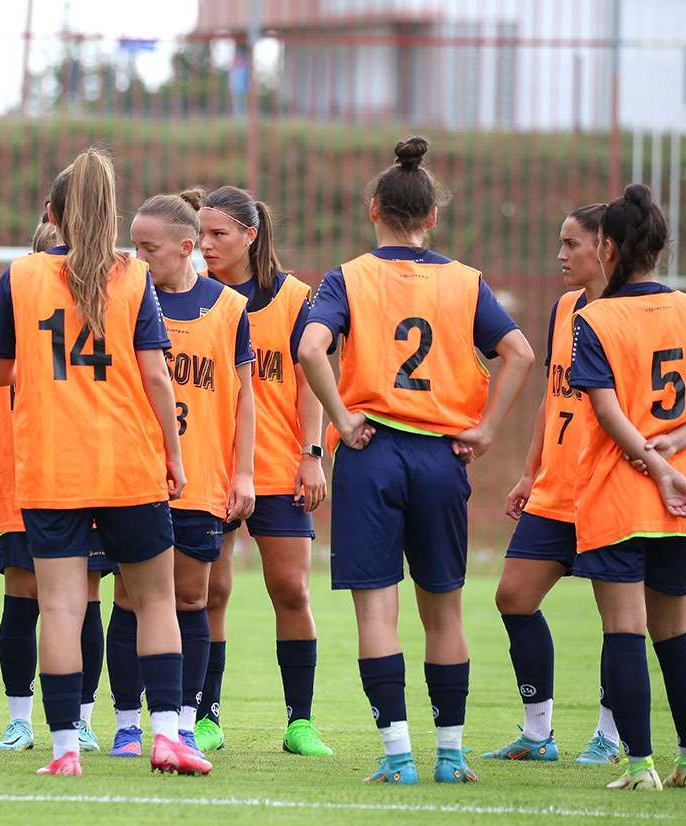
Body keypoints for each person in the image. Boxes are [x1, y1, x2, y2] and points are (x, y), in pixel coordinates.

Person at [300, 136, 534, 785]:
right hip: (440, 456)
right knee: (444, 610)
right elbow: (520, 353)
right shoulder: (466, 281)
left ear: (373, 208)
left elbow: (312, 348)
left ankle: (398, 755)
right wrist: (486, 430)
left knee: (378, 612)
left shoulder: (348, 276)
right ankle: (451, 754)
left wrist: (341, 417)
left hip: (371, 452)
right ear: (433, 215)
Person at [0, 148, 211, 777]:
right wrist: (173, 454)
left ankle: (64, 750)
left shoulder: (20, 275)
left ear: (53, 216)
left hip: (52, 465)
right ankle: (167, 737)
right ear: (112, 213)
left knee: (60, 608)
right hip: (128, 462)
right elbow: (157, 376)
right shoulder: (133, 276)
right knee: (156, 601)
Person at [568, 184, 686, 792]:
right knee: (675, 631)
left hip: (620, 496)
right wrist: (675, 446)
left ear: (608, 249)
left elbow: (608, 410)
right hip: (684, 500)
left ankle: (640, 767)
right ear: (660, 248)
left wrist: (651, 460)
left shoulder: (595, 319)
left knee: (624, 630)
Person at [0, 218, 111, 753]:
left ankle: (81, 718)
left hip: (87, 481)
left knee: (86, 597)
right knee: (22, 596)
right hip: (21, 485)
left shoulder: (94, 332)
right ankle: (19, 719)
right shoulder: (7, 336)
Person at [105, 193, 256, 758]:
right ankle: (127, 723)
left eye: (148, 248)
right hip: (136, 474)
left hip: (200, 476)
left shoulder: (229, 307)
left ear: (186, 248)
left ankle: (186, 722)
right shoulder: (125, 297)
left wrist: (243, 473)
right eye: (133, 246)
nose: (137, 257)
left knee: (192, 599)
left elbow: (245, 397)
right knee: (130, 598)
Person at [189, 185, 332, 757]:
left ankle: (301, 723)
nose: (206, 244)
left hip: (278, 466)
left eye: (218, 233)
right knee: (210, 592)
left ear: (250, 235)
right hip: (210, 468)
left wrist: (311, 454)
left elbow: (310, 381)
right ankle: (206, 718)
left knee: (291, 589)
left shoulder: (294, 296)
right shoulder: (192, 295)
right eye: (200, 233)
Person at [482, 203, 624, 765]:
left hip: (608, 490)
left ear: (606, 248)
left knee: (619, 620)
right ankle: (538, 733)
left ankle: (610, 736)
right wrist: (529, 471)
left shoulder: (628, 314)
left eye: (572, 244)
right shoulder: (566, 307)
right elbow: (553, 394)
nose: (560, 255)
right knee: (513, 597)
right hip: (554, 489)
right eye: (560, 243)